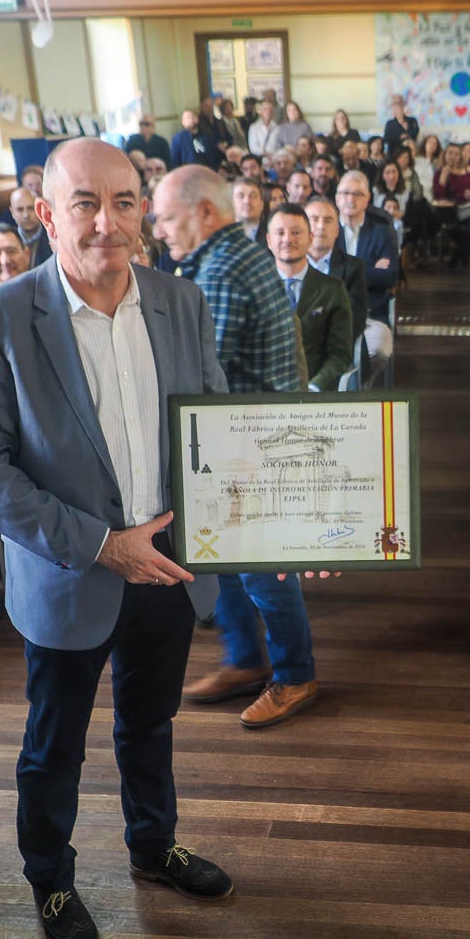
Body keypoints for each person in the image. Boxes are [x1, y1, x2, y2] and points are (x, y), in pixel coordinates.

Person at [0, 138, 233, 939]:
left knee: (150, 724)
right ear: (45, 214)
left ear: (145, 210)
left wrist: (266, 531)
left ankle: (154, 844)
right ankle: (52, 876)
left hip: (169, 570)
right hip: (75, 573)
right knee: (54, 742)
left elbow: (210, 427)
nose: (107, 223)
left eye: (125, 202)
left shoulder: (182, 300)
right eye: (84, 204)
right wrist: (103, 545)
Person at [153, 166, 321, 729]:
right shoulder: (228, 257)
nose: (159, 229)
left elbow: (200, 374)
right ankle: (247, 662)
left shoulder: (221, 269)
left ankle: (295, 674)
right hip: (242, 440)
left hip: (249, 448)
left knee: (263, 573)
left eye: (166, 217)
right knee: (220, 561)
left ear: (204, 212)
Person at [268, 204, 354, 392]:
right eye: (280, 233)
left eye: (296, 232)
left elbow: (340, 354)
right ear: (268, 240)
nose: (288, 239)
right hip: (263, 400)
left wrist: (314, 389)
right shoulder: (255, 289)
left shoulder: (332, 289)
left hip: (315, 396)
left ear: (310, 238)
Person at [336, 170, 398, 377]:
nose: (350, 199)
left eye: (357, 194)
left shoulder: (382, 232)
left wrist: (346, 270)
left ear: (367, 199)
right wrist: (369, 268)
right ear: (336, 198)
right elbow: (325, 273)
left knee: (377, 352)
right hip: (332, 314)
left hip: (372, 314)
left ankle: (357, 390)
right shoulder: (327, 230)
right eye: (345, 193)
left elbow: (389, 277)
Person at [305, 196, 371, 341]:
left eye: (328, 220)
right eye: (314, 219)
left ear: (336, 230)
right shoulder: (287, 264)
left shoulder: (353, 268)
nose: (321, 226)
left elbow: (355, 320)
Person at [433, 143, 470, 269]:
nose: (453, 157)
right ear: (445, 155)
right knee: (456, 227)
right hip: (450, 211)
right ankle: (463, 252)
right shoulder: (440, 172)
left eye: (456, 154)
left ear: (460, 156)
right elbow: (438, 196)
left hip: (469, 210)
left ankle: (458, 253)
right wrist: (443, 179)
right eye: (450, 153)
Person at [9, 187, 54, 265]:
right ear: (12, 212)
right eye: (20, 210)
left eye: (31, 208)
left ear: (39, 209)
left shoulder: (54, 238)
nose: (26, 215)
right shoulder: (8, 241)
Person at [231, 177, 267, 244]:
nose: (247, 201)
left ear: (262, 204)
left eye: (253, 196)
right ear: (231, 202)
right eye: (241, 196)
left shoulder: (272, 233)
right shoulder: (222, 235)